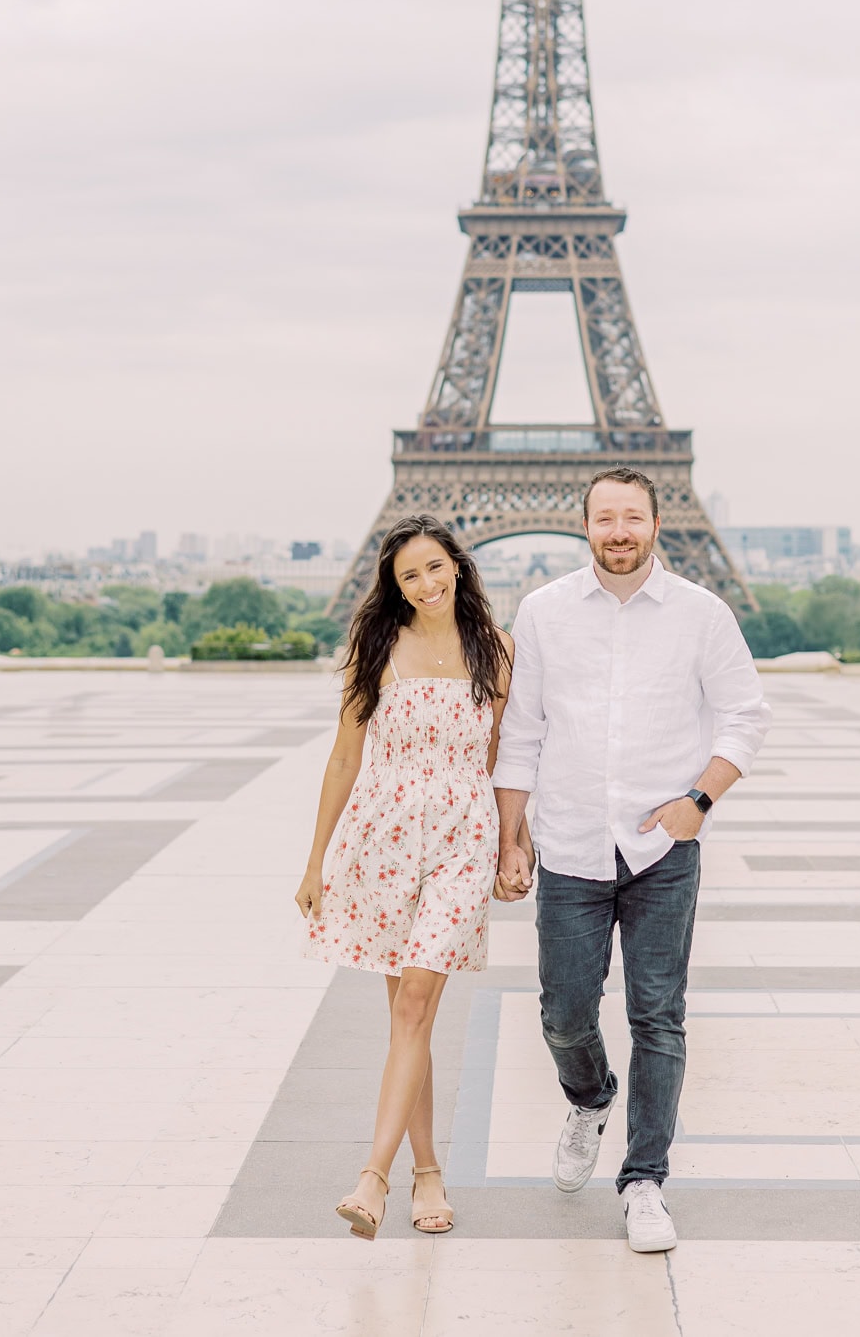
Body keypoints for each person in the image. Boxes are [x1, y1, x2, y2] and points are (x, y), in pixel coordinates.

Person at [491, 466, 771, 1253]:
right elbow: (521, 734)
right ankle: (590, 1097)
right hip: (572, 843)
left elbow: (746, 714)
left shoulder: (701, 613)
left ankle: (645, 1178)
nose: (620, 530)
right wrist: (511, 840)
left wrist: (699, 802)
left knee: (659, 1016)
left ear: (657, 523)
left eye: (633, 517)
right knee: (564, 1011)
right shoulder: (545, 612)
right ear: (585, 525)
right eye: (605, 517)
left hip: (662, 850)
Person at [294, 514, 528, 1240]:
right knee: (410, 1017)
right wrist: (315, 861)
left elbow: (505, 758)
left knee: (418, 996)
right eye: (409, 575)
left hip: (461, 838)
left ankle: (374, 1174)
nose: (426, 583)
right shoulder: (378, 645)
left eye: (434, 566)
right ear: (394, 587)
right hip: (383, 839)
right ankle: (428, 1175)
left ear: (458, 564)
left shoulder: (498, 650)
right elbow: (343, 756)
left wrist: (512, 844)